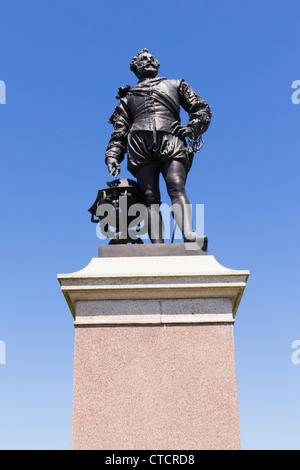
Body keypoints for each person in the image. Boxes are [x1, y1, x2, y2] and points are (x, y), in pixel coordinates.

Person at [105, 48, 212, 243]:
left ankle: (188, 233)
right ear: (135, 68)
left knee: (176, 185)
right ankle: (157, 245)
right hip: (139, 145)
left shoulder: (176, 85)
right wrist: (113, 154)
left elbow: (201, 108)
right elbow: (120, 129)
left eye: (151, 58)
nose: (148, 61)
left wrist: (192, 127)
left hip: (170, 139)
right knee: (149, 196)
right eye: (142, 60)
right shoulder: (128, 97)